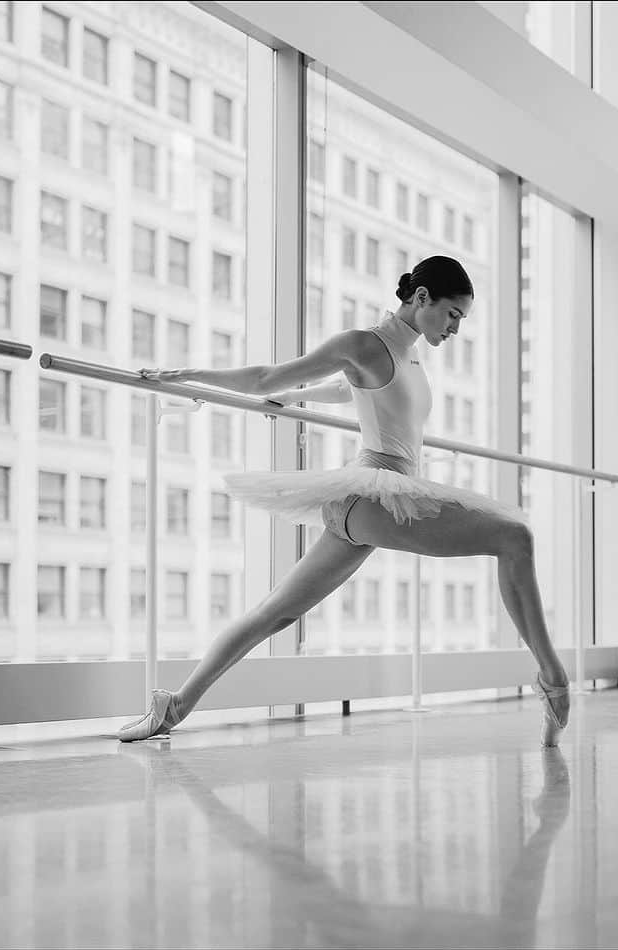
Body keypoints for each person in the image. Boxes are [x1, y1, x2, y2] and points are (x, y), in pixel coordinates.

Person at [119, 256, 570, 746]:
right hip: (375, 494)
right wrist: (184, 375)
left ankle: (174, 706)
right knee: (515, 536)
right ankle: (553, 677)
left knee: (277, 612)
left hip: (375, 500)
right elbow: (269, 377)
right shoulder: (364, 343)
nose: (456, 329)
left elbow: (348, 388)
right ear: (422, 299)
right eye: (453, 315)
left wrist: (297, 400)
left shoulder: (407, 354)